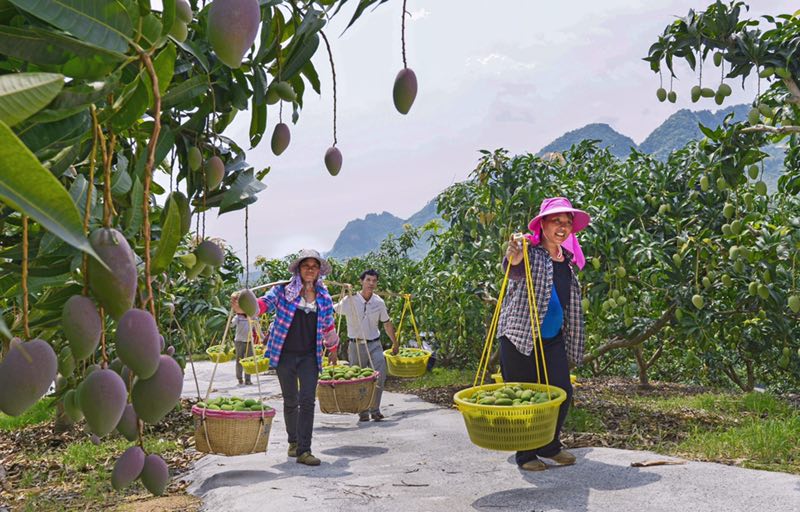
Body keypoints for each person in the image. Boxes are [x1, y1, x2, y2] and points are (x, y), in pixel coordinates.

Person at [498, 196, 589, 471]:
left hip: (551, 339)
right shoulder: (530, 253)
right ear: (543, 225)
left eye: (567, 222)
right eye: (556, 221)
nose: (562, 227)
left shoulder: (566, 260)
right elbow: (513, 269)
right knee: (523, 396)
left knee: (562, 391)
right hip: (519, 336)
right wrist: (513, 257)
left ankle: (550, 446)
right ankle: (526, 454)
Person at [251, 249, 339, 466]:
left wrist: (333, 348)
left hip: (310, 356)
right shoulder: (283, 291)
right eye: (306, 265)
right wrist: (246, 305)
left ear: (319, 271)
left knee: (307, 400)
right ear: (299, 269)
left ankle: (304, 450)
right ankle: (293, 441)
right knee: (291, 400)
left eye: (314, 266)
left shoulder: (324, 297)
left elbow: (328, 326)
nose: (310, 269)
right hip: (285, 354)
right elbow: (264, 304)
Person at [335, 269, 399, 422]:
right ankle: (363, 411)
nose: (371, 283)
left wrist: (395, 343)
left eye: (374, 281)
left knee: (379, 376)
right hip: (356, 346)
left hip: (374, 344)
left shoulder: (379, 302)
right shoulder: (350, 300)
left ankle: (375, 410)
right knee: (359, 379)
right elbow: (332, 311)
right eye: (368, 280)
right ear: (361, 281)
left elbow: (386, 323)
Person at [230, 291, 255, 386]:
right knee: (239, 360)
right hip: (239, 341)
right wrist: (228, 320)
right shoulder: (238, 317)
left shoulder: (251, 316)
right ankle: (240, 378)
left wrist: (263, 338)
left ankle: (248, 379)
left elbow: (257, 327)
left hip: (249, 341)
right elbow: (231, 325)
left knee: (249, 361)